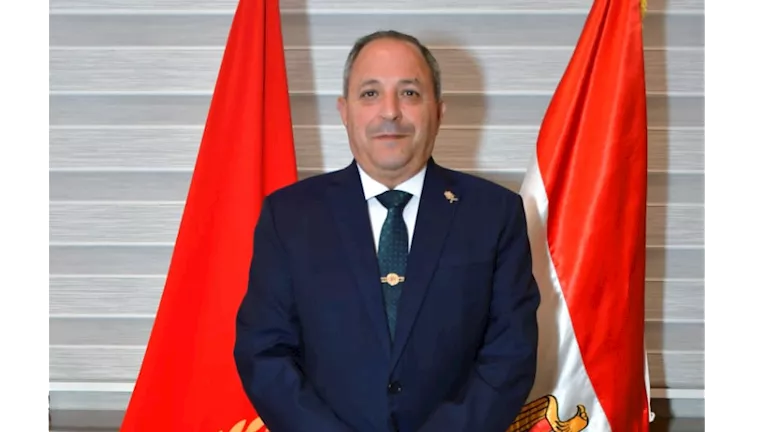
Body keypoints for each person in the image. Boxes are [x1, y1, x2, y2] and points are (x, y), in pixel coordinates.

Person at [234, 30, 540, 432]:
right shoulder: (289, 216)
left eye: (410, 93)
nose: (390, 111)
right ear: (344, 111)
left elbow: (510, 355)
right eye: (370, 94)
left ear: (439, 111)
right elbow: (264, 353)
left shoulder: (494, 214)